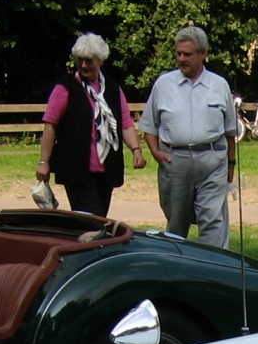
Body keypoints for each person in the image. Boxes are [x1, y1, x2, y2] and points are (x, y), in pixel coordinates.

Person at [140, 26, 238, 248]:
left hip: (213, 161)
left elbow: (230, 131)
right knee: (176, 223)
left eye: (188, 54)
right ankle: (178, 270)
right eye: (178, 54)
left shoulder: (219, 85)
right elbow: (149, 125)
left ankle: (214, 270)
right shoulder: (163, 84)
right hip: (175, 161)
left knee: (213, 221)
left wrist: (231, 164)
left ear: (203, 54)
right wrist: (156, 153)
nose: (181, 58)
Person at [35, 34, 145, 217]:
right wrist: (43, 162)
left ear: (100, 61)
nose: (84, 65)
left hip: (106, 171)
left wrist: (136, 150)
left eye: (89, 61)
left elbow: (125, 124)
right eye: (80, 60)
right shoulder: (66, 87)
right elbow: (50, 126)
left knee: (99, 220)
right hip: (77, 169)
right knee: (92, 221)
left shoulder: (113, 89)